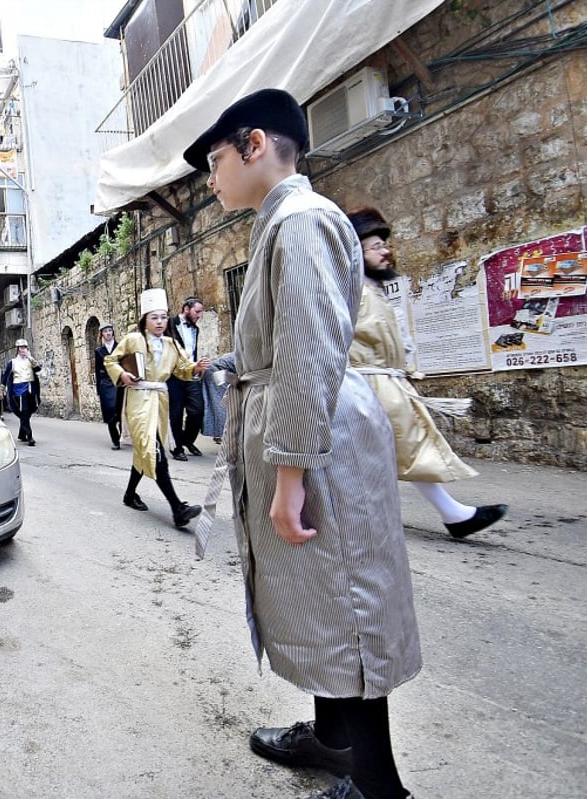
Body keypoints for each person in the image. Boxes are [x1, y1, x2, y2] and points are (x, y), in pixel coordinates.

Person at [184, 89, 421, 799]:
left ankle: (379, 785)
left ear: (254, 144)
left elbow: (311, 350)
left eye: (215, 160)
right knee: (318, 597)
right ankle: (333, 738)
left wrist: (290, 476)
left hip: (316, 440)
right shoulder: (278, 222)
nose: (211, 177)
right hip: (301, 430)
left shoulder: (303, 219)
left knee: (346, 603)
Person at [346, 207, 508, 539]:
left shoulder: (369, 290)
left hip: (383, 384)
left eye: (382, 245)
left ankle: (453, 514)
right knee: (390, 451)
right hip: (364, 386)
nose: (385, 252)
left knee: (401, 449)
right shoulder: (348, 291)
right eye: (375, 246)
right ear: (355, 252)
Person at [104, 289, 205, 529]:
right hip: (138, 400)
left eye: (163, 317)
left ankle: (130, 494)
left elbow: (181, 369)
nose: (159, 322)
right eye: (154, 317)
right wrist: (123, 375)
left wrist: (195, 368)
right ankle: (178, 508)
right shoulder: (132, 339)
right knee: (153, 449)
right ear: (145, 320)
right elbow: (111, 360)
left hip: (159, 402)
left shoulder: (172, 344)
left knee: (145, 450)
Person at [167, 297, 211, 459]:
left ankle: (187, 440)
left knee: (198, 411)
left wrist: (198, 367)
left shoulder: (195, 329)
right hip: (173, 376)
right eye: (197, 311)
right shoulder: (169, 324)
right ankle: (177, 448)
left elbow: (191, 352)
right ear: (186, 309)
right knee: (176, 413)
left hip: (191, 374)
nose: (199, 315)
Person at [2, 338, 41, 446]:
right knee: (23, 411)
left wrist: (30, 357)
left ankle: (22, 434)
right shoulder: (12, 362)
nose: (23, 349)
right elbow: (5, 378)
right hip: (18, 390)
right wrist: (2, 390)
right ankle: (30, 436)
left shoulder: (30, 360)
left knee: (28, 412)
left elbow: (38, 369)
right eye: (21, 347)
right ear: (17, 349)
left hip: (30, 388)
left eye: (25, 347)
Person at [94, 322, 124, 449]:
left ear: (113, 332)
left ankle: (123, 434)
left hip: (120, 382)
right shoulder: (99, 351)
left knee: (121, 412)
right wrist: (99, 389)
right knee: (109, 413)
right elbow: (97, 370)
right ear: (102, 334)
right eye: (105, 331)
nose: (108, 333)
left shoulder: (120, 347)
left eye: (110, 331)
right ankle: (115, 440)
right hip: (106, 384)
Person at [199, 351, 236, 444]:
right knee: (221, 404)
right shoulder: (243, 355)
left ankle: (220, 434)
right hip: (216, 371)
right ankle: (221, 434)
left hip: (220, 371)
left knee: (222, 403)